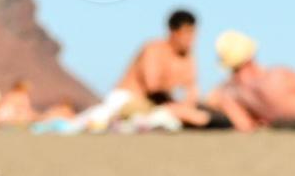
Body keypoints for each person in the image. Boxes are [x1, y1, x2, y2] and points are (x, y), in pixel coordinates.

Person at [47, 9, 207, 132]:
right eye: (187, 33)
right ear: (173, 32)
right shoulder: (153, 49)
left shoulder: (189, 58)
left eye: (193, 33)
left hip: (157, 108)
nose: (191, 39)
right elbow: (153, 86)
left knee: (193, 116)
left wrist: (186, 106)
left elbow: (191, 90)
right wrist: (177, 103)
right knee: (87, 122)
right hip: (127, 101)